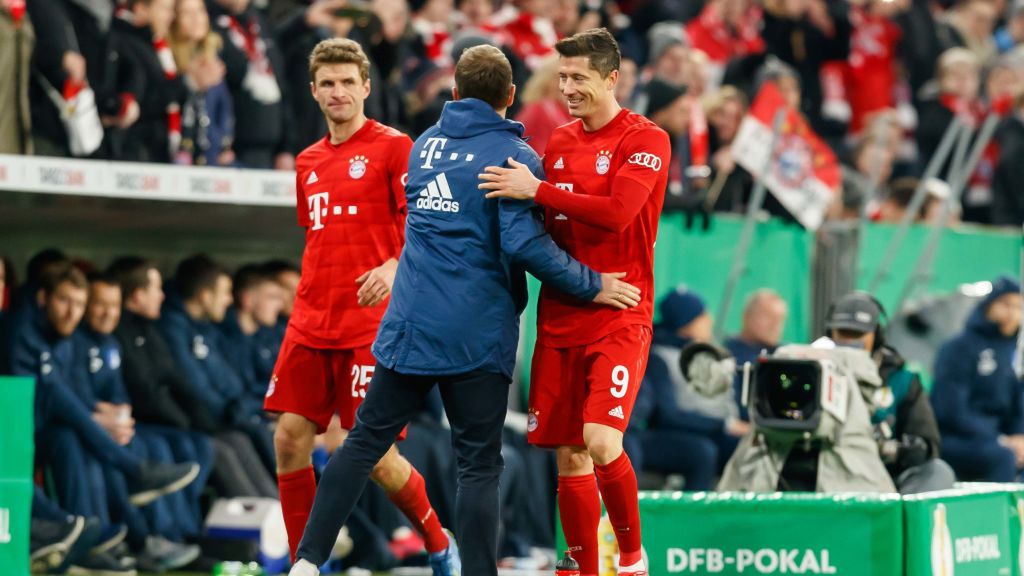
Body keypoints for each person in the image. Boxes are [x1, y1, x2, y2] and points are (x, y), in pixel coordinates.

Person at [288, 43, 637, 576]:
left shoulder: (423, 145)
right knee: (477, 467)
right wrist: (592, 285)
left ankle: (307, 563)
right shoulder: (515, 158)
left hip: (409, 327)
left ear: (454, 93)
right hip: (476, 333)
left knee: (360, 445)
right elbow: (525, 245)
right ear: (512, 97)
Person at [479, 27, 671, 576]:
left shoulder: (646, 139)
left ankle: (632, 560)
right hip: (561, 315)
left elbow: (616, 212)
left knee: (601, 439)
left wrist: (535, 189)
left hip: (620, 312)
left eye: (579, 77)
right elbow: (544, 228)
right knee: (569, 453)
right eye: (562, 76)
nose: (567, 88)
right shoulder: (559, 142)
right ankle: (584, 568)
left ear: (612, 79)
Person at [264, 37, 453, 567]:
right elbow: (318, 239)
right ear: (314, 92)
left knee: (372, 456)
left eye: (348, 82)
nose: (338, 91)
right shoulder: (307, 162)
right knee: (289, 440)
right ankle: (310, 563)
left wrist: (396, 267)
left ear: (366, 87)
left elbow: (430, 224)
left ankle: (439, 541)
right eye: (328, 83)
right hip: (309, 320)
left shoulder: (396, 147)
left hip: (370, 325)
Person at [827, 292, 955, 494]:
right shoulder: (812, 371)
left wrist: (894, 450)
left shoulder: (902, 381)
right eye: (843, 332)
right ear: (830, 333)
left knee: (938, 472)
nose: (850, 341)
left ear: (876, 335)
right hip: (824, 472)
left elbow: (928, 446)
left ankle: (897, 524)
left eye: (858, 334)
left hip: (884, 480)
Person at [932, 277, 1024, 482]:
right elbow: (950, 410)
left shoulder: (1013, 353)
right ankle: (996, 514)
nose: (1013, 313)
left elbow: (1018, 403)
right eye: (1005, 305)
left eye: (1019, 307)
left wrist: (1018, 437)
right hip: (956, 438)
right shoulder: (959, 348)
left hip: (998, 439)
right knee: (1003, 457)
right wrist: (999, 439)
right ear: (988, 307)